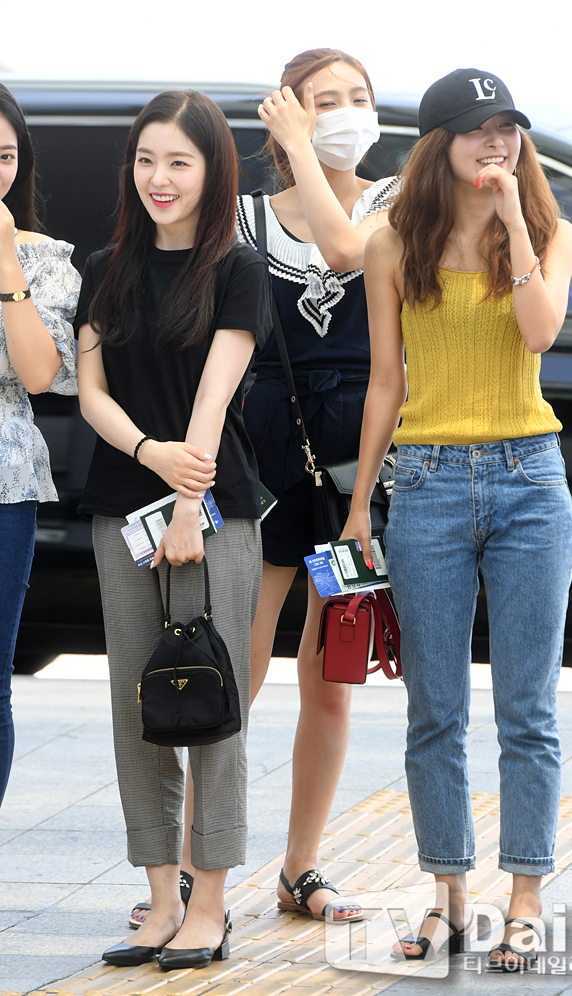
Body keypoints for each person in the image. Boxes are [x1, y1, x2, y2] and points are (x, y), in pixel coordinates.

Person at [134, 49, 396, 929]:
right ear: (287, 115)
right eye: (326, 100)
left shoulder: (395, 202)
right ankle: (190, 873)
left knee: (333, 671)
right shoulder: (243, 218)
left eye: (359, 97)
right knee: (232, 668)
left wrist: (308, 154)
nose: (348, 111)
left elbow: (347, 248)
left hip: (358, 464)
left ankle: (301, 867)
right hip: (262, 454)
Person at [341, 69, 572, 969]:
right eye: (479, 129)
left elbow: (540, 332)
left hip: (530, 480)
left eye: (508, 127)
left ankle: (525, 899)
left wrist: (514, 219)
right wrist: (360, 504)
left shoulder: (549, 233)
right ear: (439, 144)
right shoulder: (390, 245)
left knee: (528, 709)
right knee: (434, 710)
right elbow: (385, 381)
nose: (497, 142)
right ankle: (448, 897)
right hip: (428, 483)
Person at [75, 89, 272, 969]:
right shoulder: (104, 266)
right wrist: (148, 454)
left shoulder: (236, 268)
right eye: (147, 160)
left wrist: (187, 501)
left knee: (209, 701)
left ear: (211, 170)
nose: (160, 178)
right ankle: (160, 901)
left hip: (211, 511)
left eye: (179, 162)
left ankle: (211, 903)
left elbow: (215, 396)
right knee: (137, 704)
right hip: (123, 504)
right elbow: (90, 393)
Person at [0, 83, 78, 808]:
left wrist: (5, 259)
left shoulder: (45, 259)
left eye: (4, 156)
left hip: (5, 487)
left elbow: (39, 374)